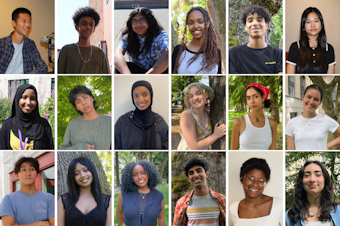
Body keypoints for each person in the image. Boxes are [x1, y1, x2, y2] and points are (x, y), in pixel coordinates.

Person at [57, 157, 111, 226]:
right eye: (76, 173)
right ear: (73, 177)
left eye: (85, 170)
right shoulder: (63, 201)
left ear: (92, 171)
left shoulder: (107, 201)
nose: (82, 175)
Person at [0, 157, 55, 225]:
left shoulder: (50, 198)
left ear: (37, 174)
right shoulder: (8, 200)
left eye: (32, 169)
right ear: (17, 175)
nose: (28, 173)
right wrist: (40, 223)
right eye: (23, 170)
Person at [229, 5, 282, 74]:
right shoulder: (233, 54)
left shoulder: (278, 54)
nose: (255, 23)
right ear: (245, 27)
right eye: (250, 20)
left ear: (266, 25)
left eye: (259, 20)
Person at [115, 80, 168, 149]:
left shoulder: (160, 122)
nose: (140, 100)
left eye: (145, 95)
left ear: (151, 96)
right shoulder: (123, 122)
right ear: (132, 98)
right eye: (136, 96)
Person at [114, 7, 169, 74]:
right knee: (118, 68)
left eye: (142, 20)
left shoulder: (160, 34)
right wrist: (127, 75)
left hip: (156, 71)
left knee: (167, 67)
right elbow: (117, 54)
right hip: (136, 71)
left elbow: (167, 54)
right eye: (134, 21)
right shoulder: (128, 37)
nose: (138, 24)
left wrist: (147, 77)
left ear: (149, 21)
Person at [230, 158, 283, 225]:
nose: (255, 184)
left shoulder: (279, 204)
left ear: (265, 183)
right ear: (242, 178)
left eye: (260, 180)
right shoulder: (233, 208)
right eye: (251, 178)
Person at [173, 158, 226, 225]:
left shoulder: (222, 199)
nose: (196, 175)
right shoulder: (181, 203)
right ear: (188, 179)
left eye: (199, 171)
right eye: (191, 173)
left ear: (207, 174)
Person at [286, 84, 340, 150]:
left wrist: (328, 145)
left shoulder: (326, 120)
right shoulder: (292, 123)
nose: (311, 102)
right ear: (303, 97)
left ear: (320, 103)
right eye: (309, 97)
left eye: (316, 99)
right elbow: (290, 150)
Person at [0, 84, 54, 150]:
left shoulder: (44, 125)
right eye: (24, 97)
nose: (28, 102)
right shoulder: (7, 125)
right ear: (18, 99)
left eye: (32, 98)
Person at [286, 161, 340, 225]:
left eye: (318, 175)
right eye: (307, 175)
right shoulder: (290, 215)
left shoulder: (338, 212)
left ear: (325, 180)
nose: (312, 179)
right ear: (301, 181)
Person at [58, 7, 109, 74]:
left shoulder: (100, 53)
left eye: (91, 24)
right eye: (84, 23)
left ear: (93, 29)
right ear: (76, 27)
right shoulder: (66, 50)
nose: (88, 27)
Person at [59, 85, 111, 150]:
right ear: (76, 107)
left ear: (92, 98)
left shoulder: (109, 122)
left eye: (85, 97)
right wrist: (79, 147)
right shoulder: (73, 124)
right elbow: (62, 149)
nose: (83, 103)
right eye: (78, 101)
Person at [172, 7, 221, 74]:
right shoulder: (179, 50)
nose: (195, 26)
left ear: (208, 24)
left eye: (200, 22)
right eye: (191, 23)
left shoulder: (216, 52)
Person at [177, 82, 226, 150]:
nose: (195, 98)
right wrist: (215, 135)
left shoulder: (208, 113)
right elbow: (194, 147)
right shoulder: (186, 115)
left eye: (198, 93)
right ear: (189, 100)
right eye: (191, 96)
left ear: (206, 95)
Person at [286, 7, 335, 74]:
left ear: (321, 24)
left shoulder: (329, 49)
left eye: (316, 21)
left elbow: (330, 77)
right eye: (308, 22)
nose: (313, 25)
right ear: (304, 25)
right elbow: (289, 75)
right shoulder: (295, 47)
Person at [116, 160, 165, 226]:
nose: (140, 177)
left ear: (149, 174)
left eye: (143, 173)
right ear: (131, 177)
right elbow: (119, 213)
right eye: (135, 175)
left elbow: (161, 217)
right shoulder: (124, 194)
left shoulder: (159, 196)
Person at [0, 7, 48, 74]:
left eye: (30, 21)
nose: (28, 25)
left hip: (24, 83)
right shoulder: (2, 44)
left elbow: (43, 66)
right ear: (14, 23)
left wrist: (27, 77)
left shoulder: (30, 44)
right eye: (24, 21)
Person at [230, 83, 277, 150]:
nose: (252, 101)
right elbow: (233, 152)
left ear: (263, 98)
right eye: (248, 98)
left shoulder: (272, 123)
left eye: (255, 97)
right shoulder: (239, 122)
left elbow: (273, 151)